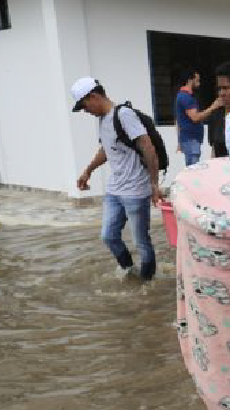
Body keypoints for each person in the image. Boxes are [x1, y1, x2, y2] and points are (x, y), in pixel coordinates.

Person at [71, 77, 161, 280]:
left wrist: (154, 184)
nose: (85, 111)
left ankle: (147, 282)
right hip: (115, 189)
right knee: (108, 235)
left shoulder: (124, 114)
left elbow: (147, 147)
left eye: (84, 106)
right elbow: (106, 149)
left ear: (94, 96)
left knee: (141, 241)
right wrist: (88, 170)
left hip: (135, 189)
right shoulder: (103, 120)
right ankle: (129, 271)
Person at [175, 68, 223, 165]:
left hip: (191, 140)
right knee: (193, 168)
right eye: (197, 80)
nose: (199, 83)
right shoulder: (186, 97)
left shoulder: (184, 96)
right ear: (190, 80)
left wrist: (179, 141)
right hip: (191, 140)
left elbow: (178, 121)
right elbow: (195, 118)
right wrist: (213, 107)